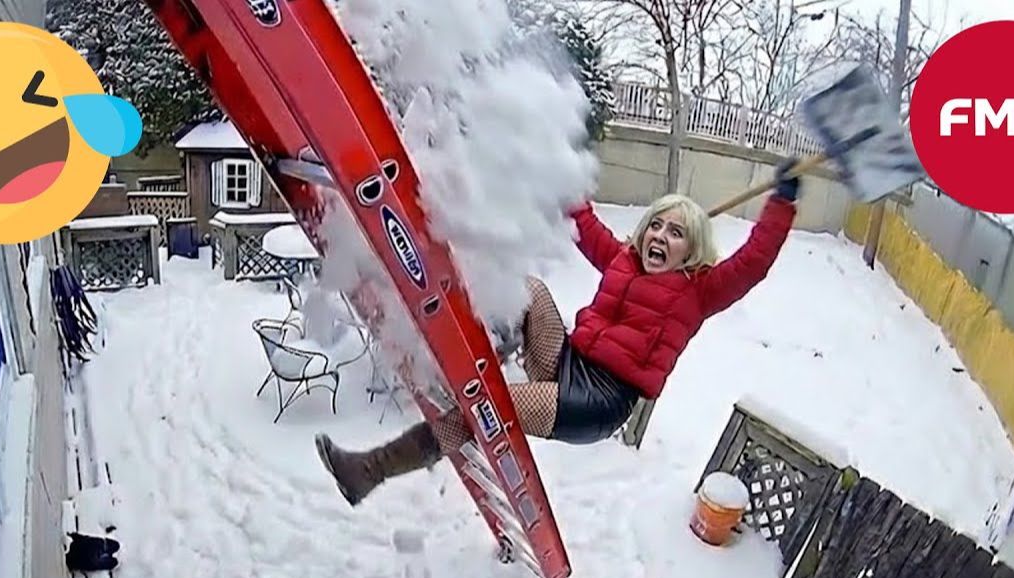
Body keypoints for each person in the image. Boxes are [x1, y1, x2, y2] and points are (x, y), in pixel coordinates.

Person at [315, 158, 802, 506]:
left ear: (691, 250)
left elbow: (754, 261)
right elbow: (583, 221)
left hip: (599, 400)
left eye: (677, 234)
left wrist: (781, 201)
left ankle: (371, 471)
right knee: (529, 290)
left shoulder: (700, 292)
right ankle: (466, 355)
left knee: (485, 410)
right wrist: (560, 173)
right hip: (569, 361)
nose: (661, 237)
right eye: (657, 226)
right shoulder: (623, 262)